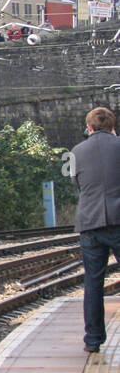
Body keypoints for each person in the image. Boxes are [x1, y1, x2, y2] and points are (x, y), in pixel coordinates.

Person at [70, 107, 120, 352]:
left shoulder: (77, 152)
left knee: (93, 282)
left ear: (88, 128)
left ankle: (93, 339)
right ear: (113, 127)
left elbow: (77, 183)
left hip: (90, 223)